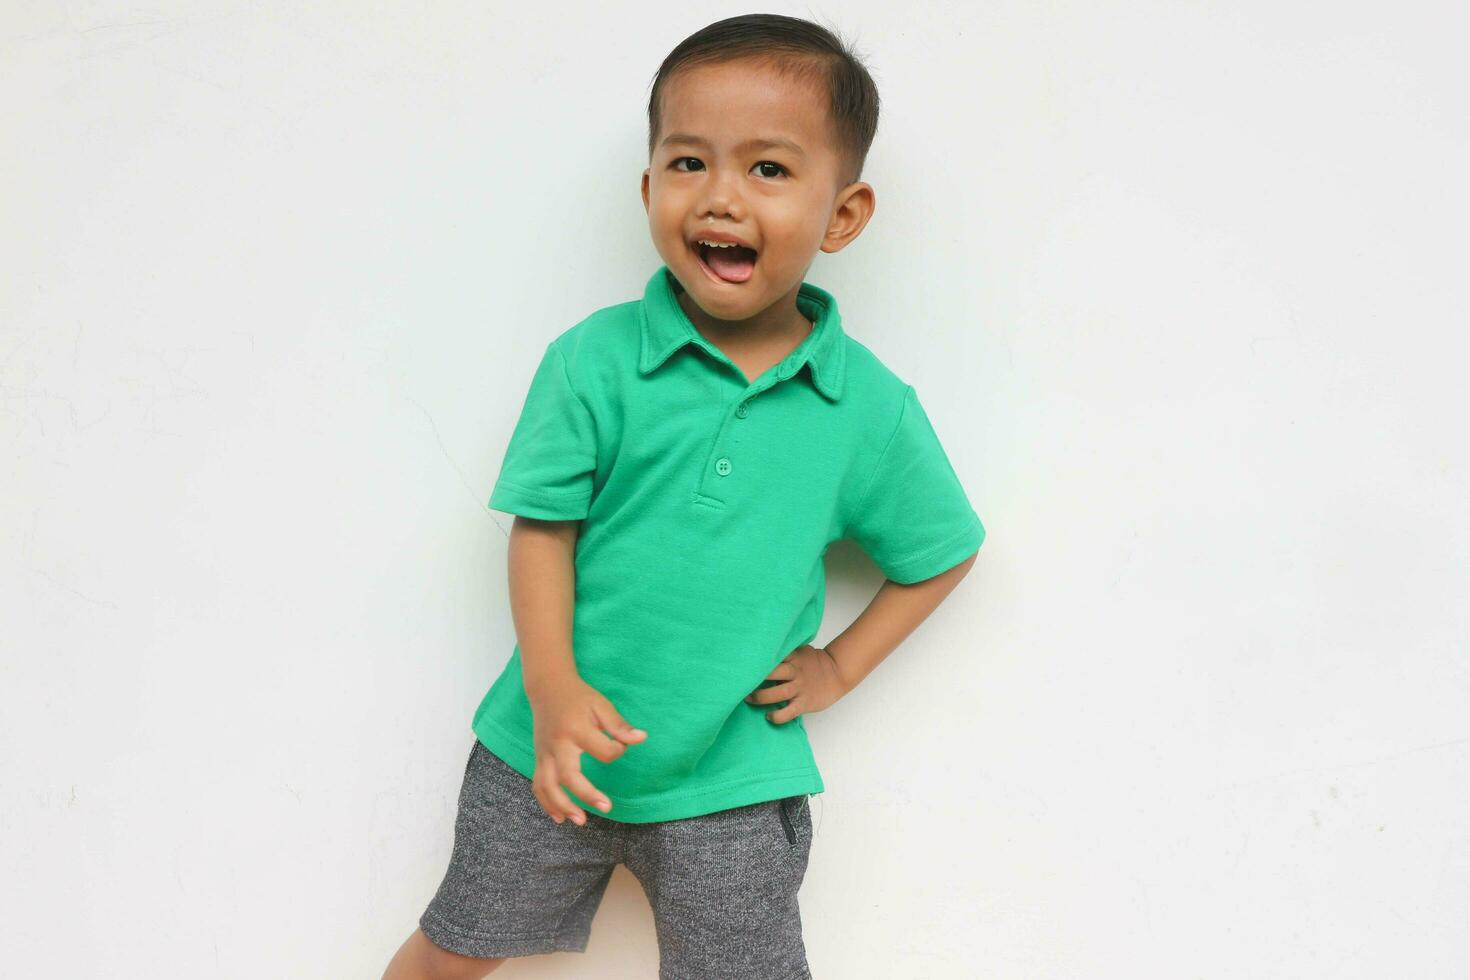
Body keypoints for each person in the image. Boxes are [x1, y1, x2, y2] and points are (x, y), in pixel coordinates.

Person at [382, 13, 986, 980]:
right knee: (455, 950)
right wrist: (552, 688)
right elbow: (541, 529)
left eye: (769, 170)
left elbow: (945, 550)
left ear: (843, 214)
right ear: (650, 184)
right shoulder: (594, 360)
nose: (720, 199)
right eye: (688, 162)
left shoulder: (865, 407)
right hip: (550, 754)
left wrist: (838, 667)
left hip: (731, 779)